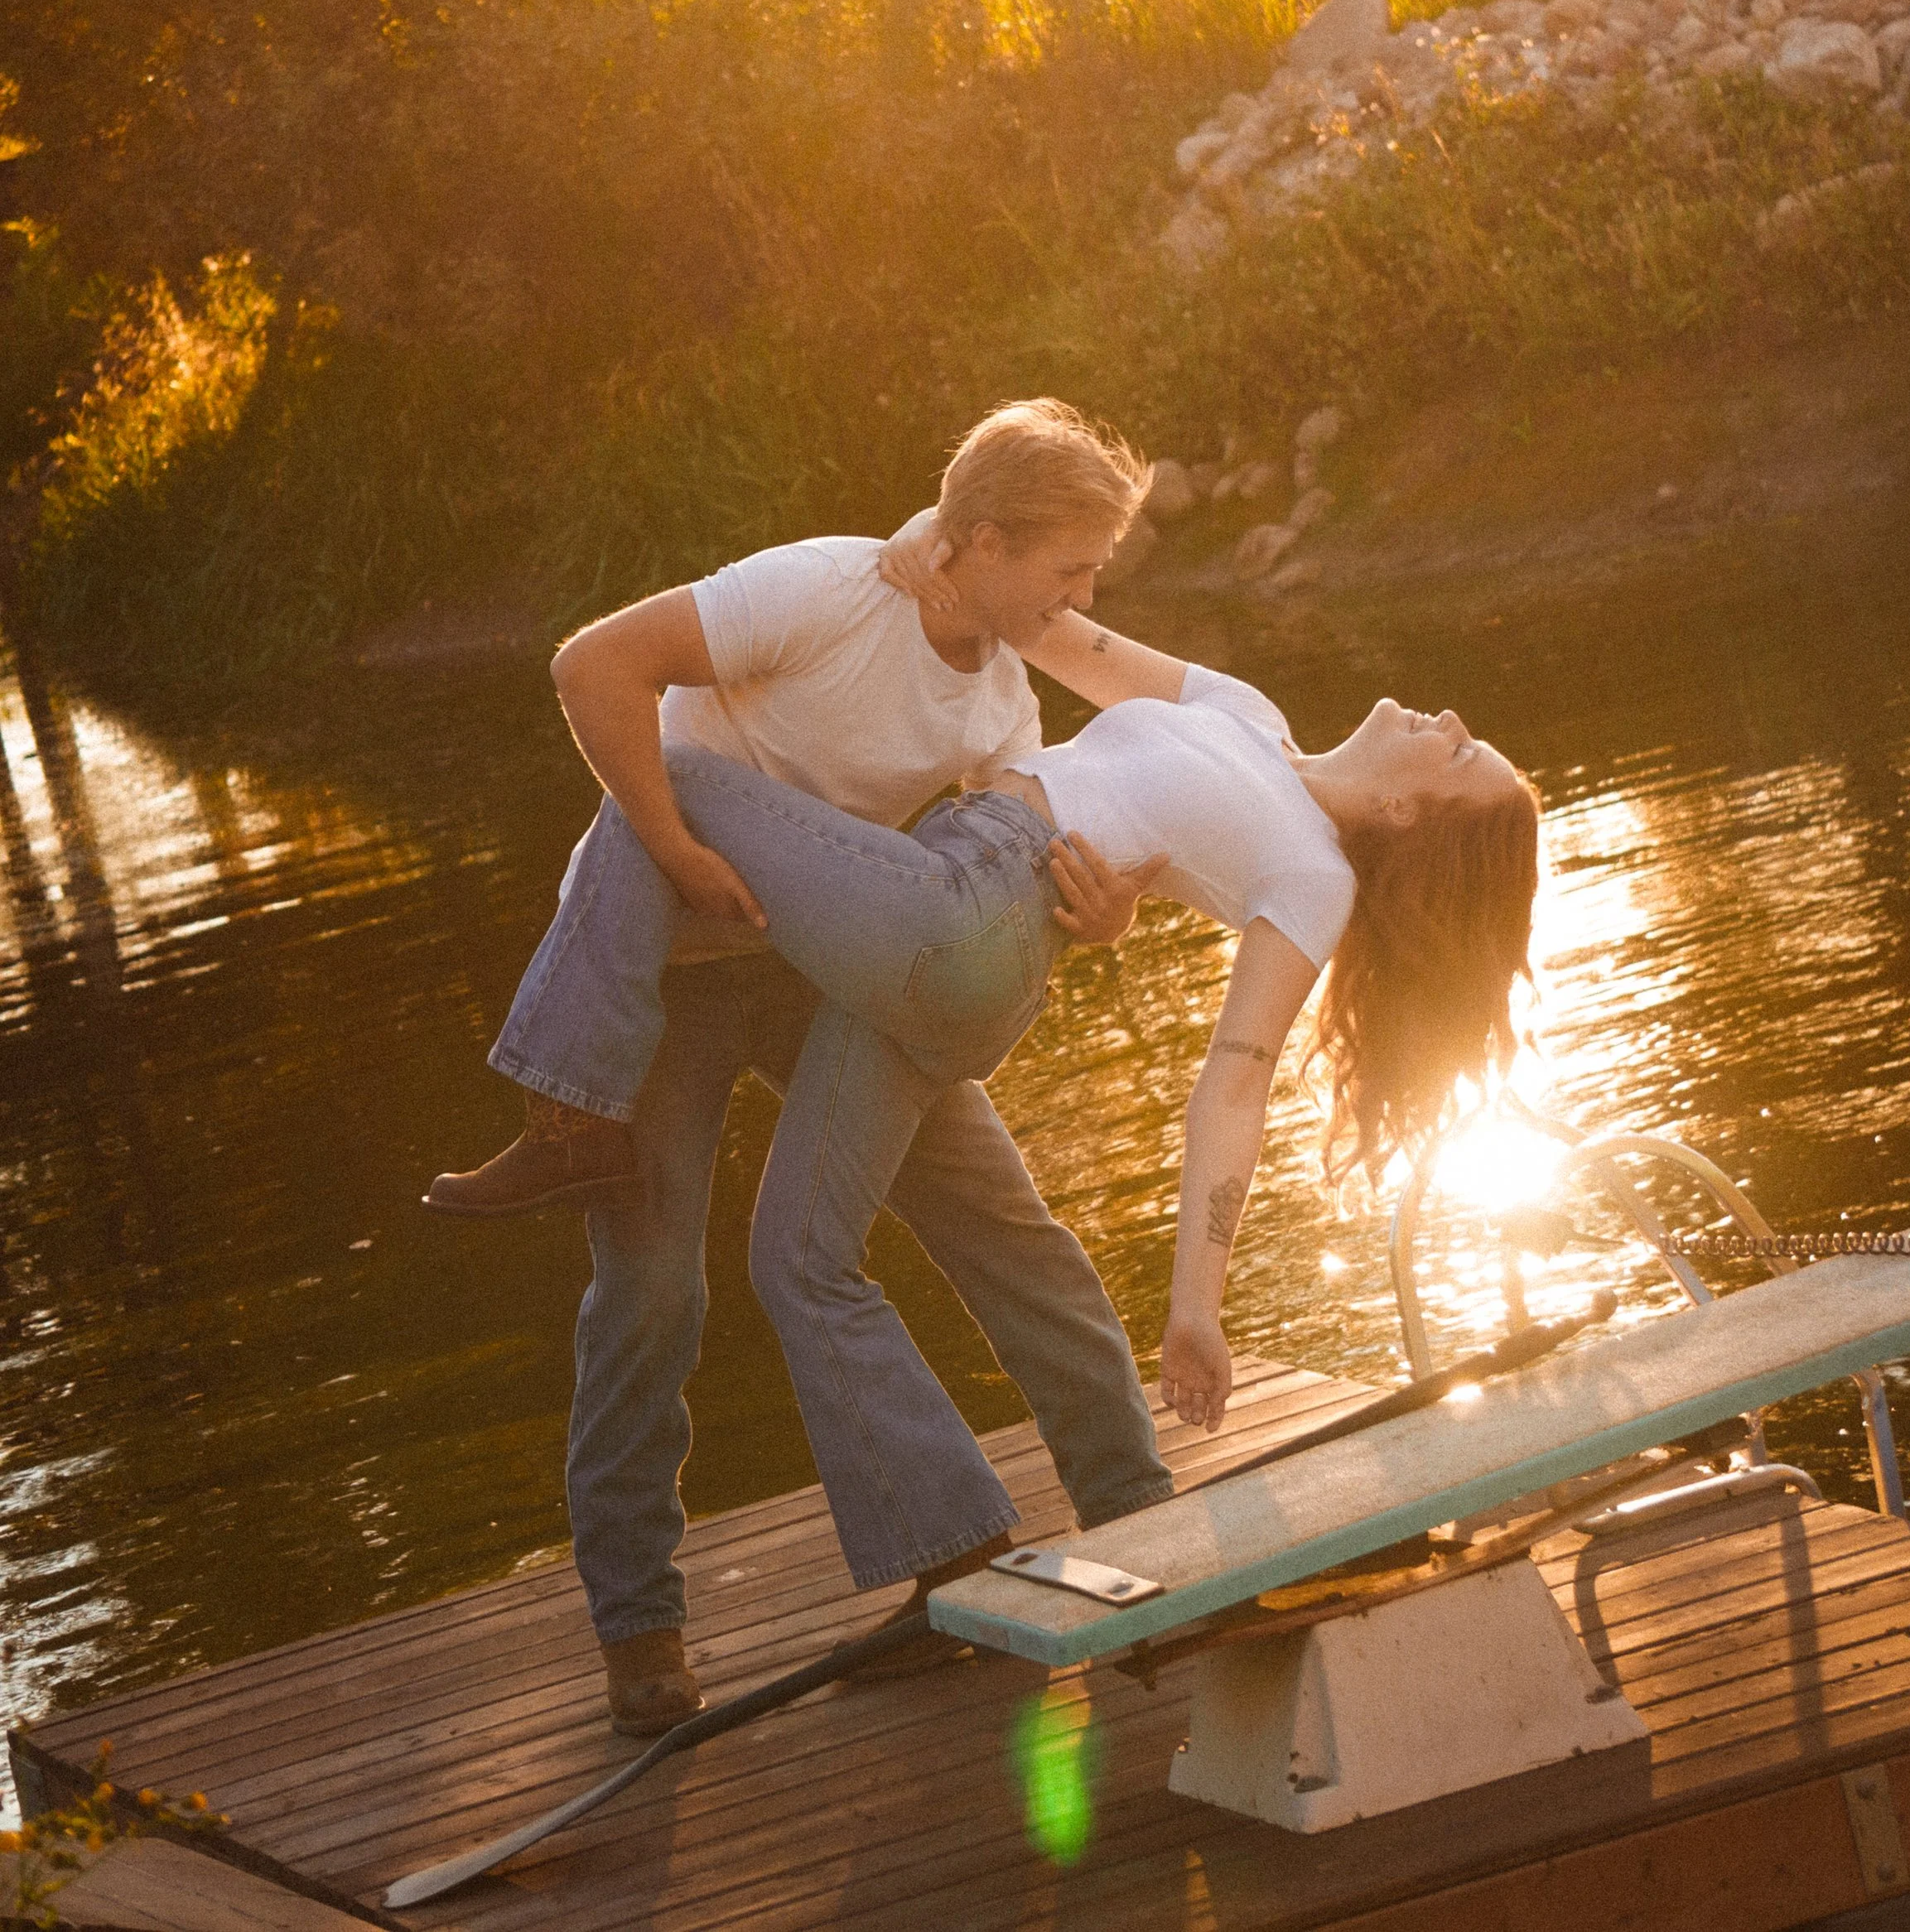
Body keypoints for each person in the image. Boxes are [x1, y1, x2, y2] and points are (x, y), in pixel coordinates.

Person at [455, 506, 1541, 1648]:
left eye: (1461, 754)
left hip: (964, 922)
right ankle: (995, 1549)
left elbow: (1235, 1084)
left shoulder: (1314, 877)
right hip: (900, 923)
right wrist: (949, 530)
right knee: (813, 1253)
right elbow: (1048, 626)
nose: (1453, 718)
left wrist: (1196, 1307)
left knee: (662, 778)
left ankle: (564, 1101)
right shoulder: (1247, 714)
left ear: (1412, 811)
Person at [426, 401, 1179, 1736]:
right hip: (666, 964)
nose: (1084, 598)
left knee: (1004, 1222)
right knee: (651, 1296)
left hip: (824, 969)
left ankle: (1147, 1515)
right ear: (986, 539)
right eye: (1068, 570)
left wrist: (1097, 907)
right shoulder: (822, 592)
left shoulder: (1003, 695)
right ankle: (642, 1634)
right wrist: (673, 849)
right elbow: (595, 664)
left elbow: (991, 878)